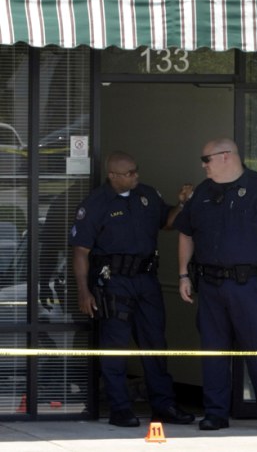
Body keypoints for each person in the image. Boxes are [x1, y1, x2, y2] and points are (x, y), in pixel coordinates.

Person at [69, 150, 195, 428]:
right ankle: (120, 408)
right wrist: (84, 292)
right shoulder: (96, 204)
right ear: (113, 176)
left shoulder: (147, 195)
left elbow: (168, 223)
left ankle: (164, 405)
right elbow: (80, 252)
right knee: (115, 346)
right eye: (129, 173)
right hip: (114, 282)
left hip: (146, 281)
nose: (136, 175)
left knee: (155, 344)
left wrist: (182, 204)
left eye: (136, 170)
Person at [175, 137, 257, 432]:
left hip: (251, 285)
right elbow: (186, 234)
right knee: (213, 351)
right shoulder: (202, 193)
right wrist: (182, 275)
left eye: (207, 160)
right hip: (211, 285)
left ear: (226, 156)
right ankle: (216, 413)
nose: (203, 166)